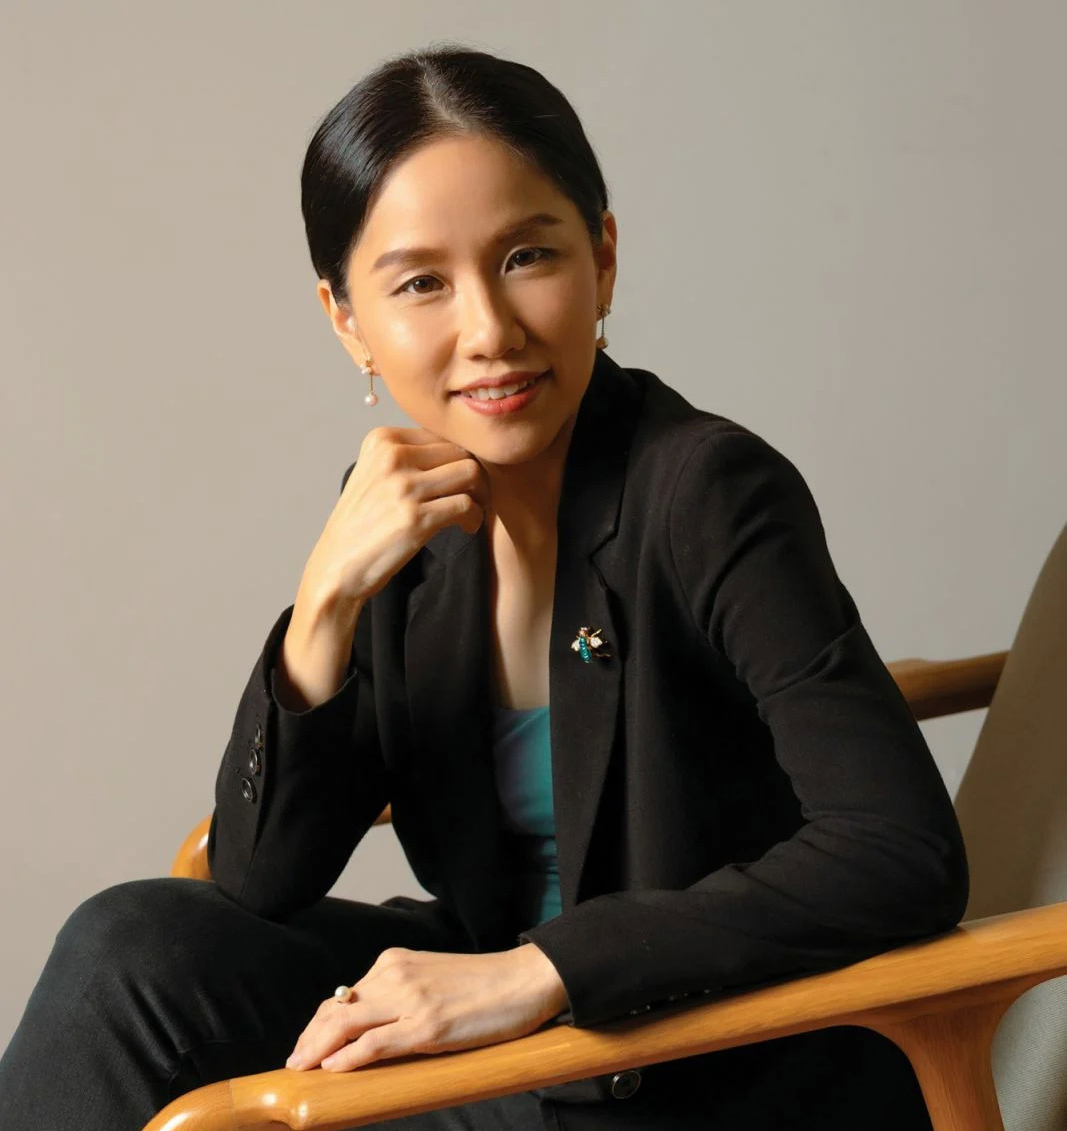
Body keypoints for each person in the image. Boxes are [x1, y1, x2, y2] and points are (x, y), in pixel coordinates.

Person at [0, 43, 968, 1131]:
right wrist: (324, 602)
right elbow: (258, 881)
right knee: (124, 953)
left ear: (602, 259)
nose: (489, 332)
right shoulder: (402, 520)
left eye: (526, 257)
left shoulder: (704, 491)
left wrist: (536, 972)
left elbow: (898, 850)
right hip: (504, 1019)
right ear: (346, 320)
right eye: (421, 283)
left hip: (701, 1052)